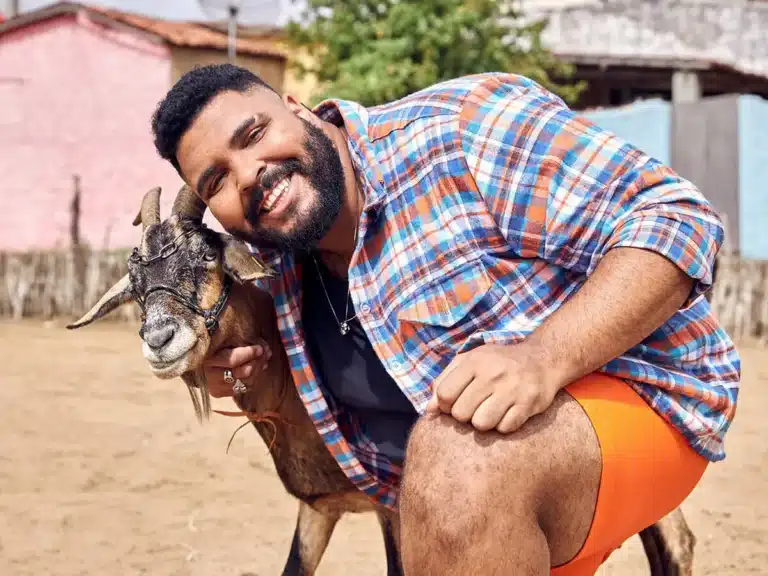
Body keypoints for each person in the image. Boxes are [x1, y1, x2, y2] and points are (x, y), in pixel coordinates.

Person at [150, 64, 740, 575]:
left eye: (254, 134)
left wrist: (544, 357)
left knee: (455, 455)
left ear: (296, 107)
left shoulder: (459, 129)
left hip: (644, 400)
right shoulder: (278, 258)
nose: (249, 174)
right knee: (448, 472)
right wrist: (244, 378)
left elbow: (676, 218)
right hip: (470, 503)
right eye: (216, 180)